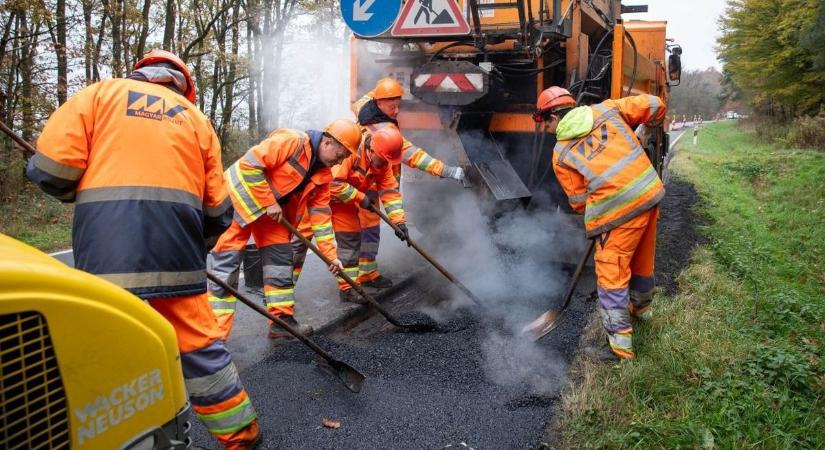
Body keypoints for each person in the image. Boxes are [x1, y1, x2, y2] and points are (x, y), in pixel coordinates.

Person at [26, 49, 260, 448]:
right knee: (200, 349)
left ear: (142, 71)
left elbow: (52, 172)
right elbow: (219, 211)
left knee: (104, 348)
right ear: (185, 85)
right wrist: (196, 243)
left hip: (104, 262)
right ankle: (242, 438)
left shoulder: (98, 95)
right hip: (178, 260)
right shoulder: (196, 120)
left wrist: (82, 192)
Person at [535, 86, 667, 362]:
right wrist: (646, 128)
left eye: (544, 122)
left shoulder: (561, 153)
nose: (546, 129)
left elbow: (579, 202)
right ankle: (641, 310)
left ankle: (620, 349)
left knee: (611, 275)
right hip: (649, 194)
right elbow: (655, 104)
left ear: (553, 117)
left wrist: (598, 215)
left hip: (617, 214)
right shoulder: (608, 109)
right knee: (642, 260)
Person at [206, 119, 360, 340]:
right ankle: (214, 337)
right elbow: (248, 166)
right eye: (340, 155)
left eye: (344, 158)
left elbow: (321, 220)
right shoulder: (292, 142)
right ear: (328, 142)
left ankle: (281, 321)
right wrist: (268, 201)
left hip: (272, 215)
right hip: (239, 202)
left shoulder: (324, 176)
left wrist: (331, 257)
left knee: (280, 262)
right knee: (226, 269)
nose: (339, 162)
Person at [351, 77, 464, 290]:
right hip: (362, 184)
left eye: (398, 104)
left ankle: (367, 273)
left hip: (373, 182)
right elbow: (415, 156)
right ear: (380, 103)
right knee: (354, 232)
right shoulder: (383, 131)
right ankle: (350, 282)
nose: (397, 110)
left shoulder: (366, 106)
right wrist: (446, 170)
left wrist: (399, 222)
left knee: (370, 229)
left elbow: (390, 192)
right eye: (392, 105)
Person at [325, 127, 407, 303]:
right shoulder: (351, 153)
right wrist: (360, 197)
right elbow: (333, 184)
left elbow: (390, 193)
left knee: (355, 241)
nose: (386, 164)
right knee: (347, 244)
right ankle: (348, 289)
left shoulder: (383, 164)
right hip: (329, 200)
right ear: (371, 151)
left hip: (349, 201)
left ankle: (352, 286)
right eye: (383, 159)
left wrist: (399, 223)